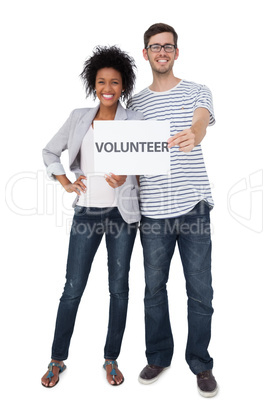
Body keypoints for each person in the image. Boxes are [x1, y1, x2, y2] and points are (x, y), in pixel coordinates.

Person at [41, 45, 143, 388]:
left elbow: (146, 166)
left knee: (119, 289)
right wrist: (65, 181)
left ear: (123, 86)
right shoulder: (78, 117)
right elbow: (50, 151)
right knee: (73, 287)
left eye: (115, 82)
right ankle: (57, 359)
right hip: (86, 212)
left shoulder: (135, 120)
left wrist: (127, 175)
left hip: (121, 215)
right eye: (102, 82)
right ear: (93, 84)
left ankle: (111, 358)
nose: (108, 88)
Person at [128, 23, 218, 397]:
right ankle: (159, 356)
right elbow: (127, 151)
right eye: (154, 47)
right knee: (153, 289)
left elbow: (200, 121)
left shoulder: (198, 90)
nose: (161, 52)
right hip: (153, 212)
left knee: (200, 290)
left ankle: (200, 362)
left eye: (168, 46)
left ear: (176, 52)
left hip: (193, 206)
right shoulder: (134, 103)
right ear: (145, 53)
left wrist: (194, 133)